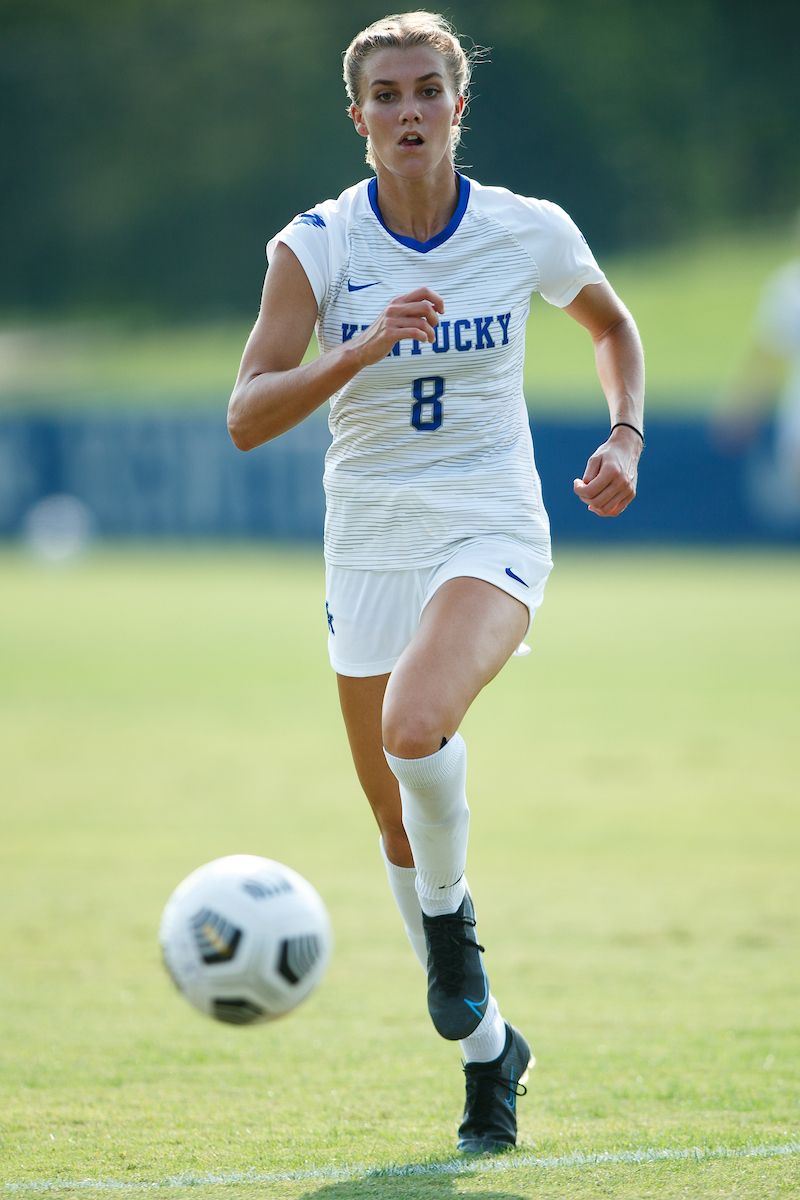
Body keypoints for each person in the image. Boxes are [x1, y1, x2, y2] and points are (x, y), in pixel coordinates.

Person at [228, 11, 644, 1154]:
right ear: (356, 117)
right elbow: (246, 415)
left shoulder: (523, 229)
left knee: (414, 728)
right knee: (393, 823)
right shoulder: (315, 247)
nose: (407, 111)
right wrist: (358, 349)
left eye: (425, 91)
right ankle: (487, 1056)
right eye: (386, 95)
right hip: (367, 541)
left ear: (458, 107)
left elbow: (610, 325)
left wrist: (623, 434)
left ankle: (453, 932)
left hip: (488, 524)